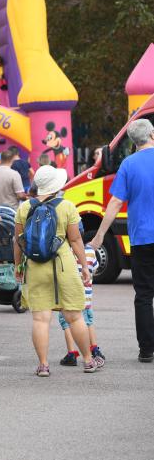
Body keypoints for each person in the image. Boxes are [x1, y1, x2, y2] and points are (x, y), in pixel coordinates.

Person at [15, 165, 97, 375]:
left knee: (40, 319)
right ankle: (88, 360)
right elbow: (76, 240)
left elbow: (18, 241)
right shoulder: (67, 206)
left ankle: (43, 365)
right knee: (75, 316)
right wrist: (85, 267)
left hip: (35, 266)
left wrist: (18, 266)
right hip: (63, 264)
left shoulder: (24, 208)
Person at [90, 119, 154, 363]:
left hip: (141, 239)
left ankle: (147, 349)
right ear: (152, 134)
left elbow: (115, 203)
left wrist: (98, 236)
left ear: (133, 141)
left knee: (144, 295)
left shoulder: (128, 164)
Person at [58, 232, 105, 367]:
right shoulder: (90, 251)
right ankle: (94, 348)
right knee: (88, 322)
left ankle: (71, 353)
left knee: (67, 323)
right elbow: (95, 268)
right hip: (87, 297)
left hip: (70, 296)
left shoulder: (67, 251)